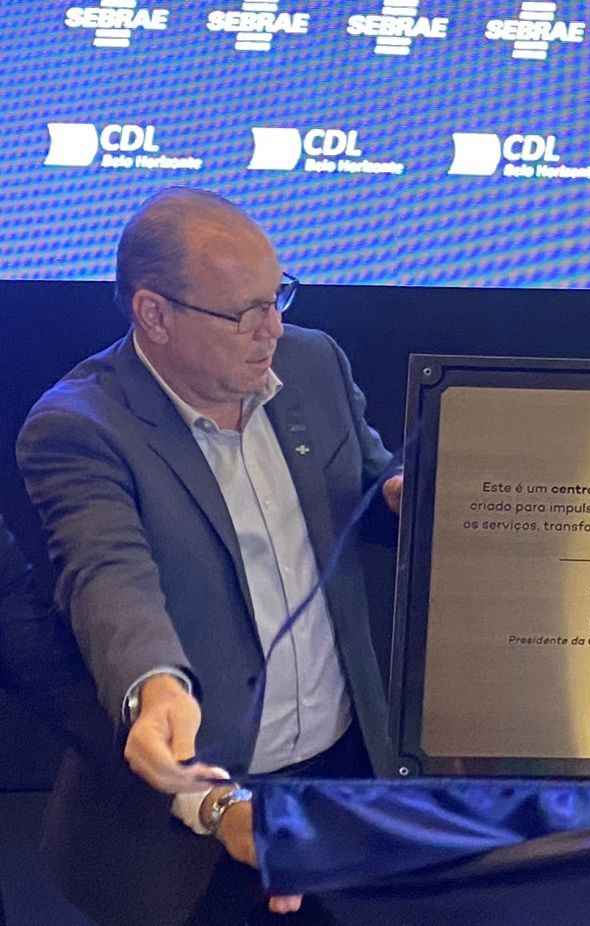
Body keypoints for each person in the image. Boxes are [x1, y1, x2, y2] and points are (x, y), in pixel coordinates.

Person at [16, 188, 403, 926]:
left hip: (343, 775)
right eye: (244, 313)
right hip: (183, 825)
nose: (273, 327)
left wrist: (396, 495)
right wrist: (156, 687)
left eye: (278, 297)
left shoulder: (313, 362)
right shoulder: (78, 427)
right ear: (154, 314)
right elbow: (108, 577)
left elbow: (363, 482)